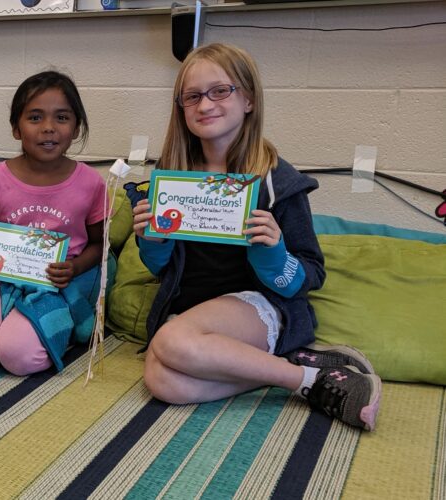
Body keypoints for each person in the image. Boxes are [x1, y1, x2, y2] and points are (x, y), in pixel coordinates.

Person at [132, 43, 381, 430]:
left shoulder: (277, 180)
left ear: (248, 99)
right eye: (192, 96)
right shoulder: (173, 175)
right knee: (163, 382)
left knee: (169, 341)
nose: (205, 105)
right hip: (194, 312)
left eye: (220, 91)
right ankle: (288, 365)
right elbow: (160, 267)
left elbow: (310, 274)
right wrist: (152, 241)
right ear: (180, 108)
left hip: (260, 306)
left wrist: (274, 255)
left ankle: (310, 382)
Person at [0, 71, 106, 376]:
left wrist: (74, 268)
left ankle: (51, 332)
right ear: (16, 129)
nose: (48, 128)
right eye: (35, 117)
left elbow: (100, 244)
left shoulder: (91, 183)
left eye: (61, 117)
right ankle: (2, 324)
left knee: (19, 358)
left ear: (76, 128)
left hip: (53, 287)